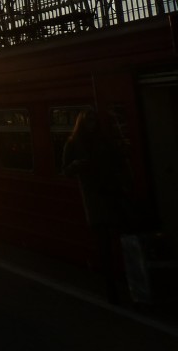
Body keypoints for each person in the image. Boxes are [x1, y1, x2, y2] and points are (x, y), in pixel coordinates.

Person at [63, 107, 130, 303]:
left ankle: (126, 281)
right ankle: (111, 289)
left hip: (112, 193)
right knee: (104, 243)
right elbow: (66, 170)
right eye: (88, 121)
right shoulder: (73, 143)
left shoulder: (104, 140)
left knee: (118, 238)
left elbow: (119, 162)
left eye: (94, 120)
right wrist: (76, 166)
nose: (92, 124)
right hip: (93, 197)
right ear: (81, 123)